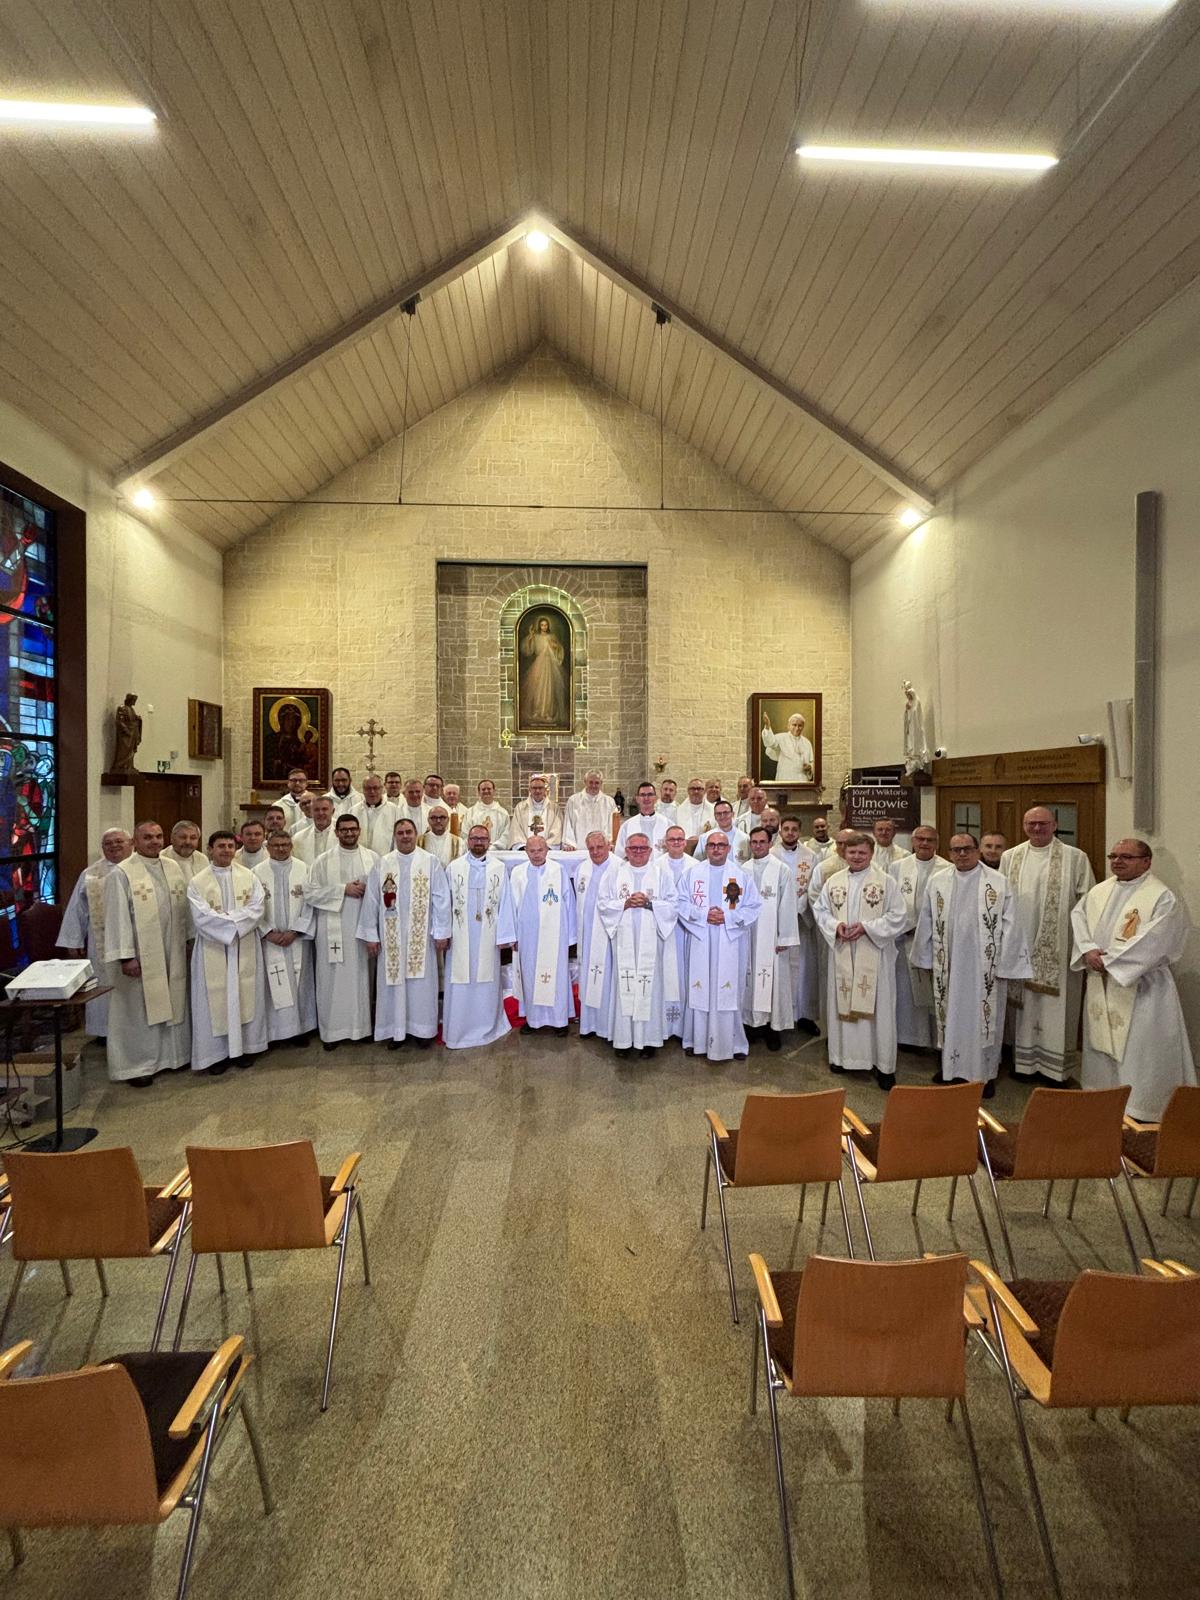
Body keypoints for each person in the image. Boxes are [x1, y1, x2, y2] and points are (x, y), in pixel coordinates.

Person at [1070, 839, 1196, 1119]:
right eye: (1113, 855)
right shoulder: (1099, 891)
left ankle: (1142, 1105)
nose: (1117, 861)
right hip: (1102, 982)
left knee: (1141, 1051)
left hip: (1143, 986)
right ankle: (1102, 1095)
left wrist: (1110, 961)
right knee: (1103, 1045)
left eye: (1126, 856)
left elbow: (1156, 939)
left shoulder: (1162, 896)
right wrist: (1088, 950)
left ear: (1146, 861)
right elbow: (1078, 918)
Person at [912, 834, 1031, 1095]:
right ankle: (950, 1069)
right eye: (956, 850)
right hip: (950, 965)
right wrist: (923, 954)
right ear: (950, 852)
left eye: (967, 849)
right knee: (950, 1015)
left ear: (977, 851)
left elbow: (1012, 925)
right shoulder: (938, 880)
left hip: (984, 967)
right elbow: (927, 919)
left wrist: (1007, 964)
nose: (962, 854)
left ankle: (984, 1076)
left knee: (983, 1018)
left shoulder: (997, 882)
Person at [1000, 808, 1095, 1086]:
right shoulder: (1011, 857)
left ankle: (1056, 1071)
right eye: (1031, 823)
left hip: (1058, 947)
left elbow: (1089, 902)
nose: (1037, 828)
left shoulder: (1075, 858)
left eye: (1043, 823)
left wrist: (1083, 942)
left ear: (1055, 825)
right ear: (1024, 825)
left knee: (1058, 1008)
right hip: (1020, 944)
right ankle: (1024, 1065)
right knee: (1024, 1008)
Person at [814, 831, 907, 1090]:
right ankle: (842, 1057)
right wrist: (836, 926)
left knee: (879, 1009)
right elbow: (820, 910)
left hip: (873, 954)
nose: (856, 857)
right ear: (844, 853)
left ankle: (883, 1065)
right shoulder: (834, 881)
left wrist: (867, 928)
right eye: (852, 852)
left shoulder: (886, 882)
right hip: (844, 951)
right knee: (842, 1003)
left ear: (871, 853)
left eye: (862, 853)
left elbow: (899, 916)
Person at [103, 820, 190, 1086]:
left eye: (158, 836)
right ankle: (138, 1066)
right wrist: (126, 956)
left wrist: (188, 939)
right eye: (147, 837)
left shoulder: (172, 866)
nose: (154, 841)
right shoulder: (122, 873)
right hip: (141, 953)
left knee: (174, 999)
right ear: (135, 842)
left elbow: (184, 909)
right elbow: (117, 917)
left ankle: (174, 1057)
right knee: (139, 1009)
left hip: (172, 947)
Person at [360, 817, 450, 1049]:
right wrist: (371, 935)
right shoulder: (383, 864)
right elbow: (371, 901)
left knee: (421, 984)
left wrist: (441, 932)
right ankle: (396, 1030)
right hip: (392, 938)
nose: (405, 836)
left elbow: (441, 899)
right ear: (395, 835)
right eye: (400, 832)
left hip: (421, 937)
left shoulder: (430, 862)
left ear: (416, 833)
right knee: (394, 985)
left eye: (409, 832)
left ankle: (422, 1030)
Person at [676, 831, 762, 1062]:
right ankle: (695, 1041)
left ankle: (732, 1043)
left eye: (721, 845)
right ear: (706, 848)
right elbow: (680, 903)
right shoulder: (693, 874)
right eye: (712, 845)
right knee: (699, 987)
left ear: (729, 848)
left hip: (729, 941)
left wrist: (727, 918)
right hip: (701, 939)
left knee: (728, 990)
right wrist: (704, 915)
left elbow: (753, 907)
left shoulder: (740, 876)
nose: (716, 849)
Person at [187, 830, 268, 1075]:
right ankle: (215, 1054)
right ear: (210, 849)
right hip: (212, 946)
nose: (226, 850)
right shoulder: (197, 882)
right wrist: (231, 926)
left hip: (244, 945)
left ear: (236, 849)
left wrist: (230, 923)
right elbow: (200, 915)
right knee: (214, 1001)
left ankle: (245, 1049)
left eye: (230, 846)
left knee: (245, 996)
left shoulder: (249, 876)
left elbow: (257, 907)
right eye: (220, 846)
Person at [303, 812, 379, 1050]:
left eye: (352, 829)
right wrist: (342, 889)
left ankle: (362, 1028)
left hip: (362, 929)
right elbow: (310, 893)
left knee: (362, 977)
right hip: (332, 930)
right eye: (344, 830)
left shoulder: (373, 858)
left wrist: (368, 891)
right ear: (336, 833)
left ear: (359, 831)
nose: (348, 833)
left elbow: (382, 891)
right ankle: (332, 1032)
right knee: (331, 979)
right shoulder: (322, 861)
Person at [599, 832, 677, 1058]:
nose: (638, 852)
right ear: (626, 850)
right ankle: (623, 1040)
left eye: (643, 848)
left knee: (649, 987)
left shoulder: (661, 873)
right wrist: (624, 903)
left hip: (650, 943)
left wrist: (650, 903)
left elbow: (673, 905)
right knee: (624, 986)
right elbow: (603, 904)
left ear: (651, 851)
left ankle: (648, 1041)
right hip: (624, 941)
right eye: (633, 848)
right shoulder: (615, 873)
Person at [443, 825, 516, 1049]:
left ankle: (488, 1026)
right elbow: (445, 904)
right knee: (460, 979)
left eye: (483, 839)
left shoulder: (498, 868)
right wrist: (443, 933)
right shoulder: (454, 868)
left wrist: (506, 935)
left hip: (488, 936)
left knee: (486, 979)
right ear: (468, 840)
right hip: (459, 936)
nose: (478, 842)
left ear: (489, 841)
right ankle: (458, 1030)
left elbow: (506, 903)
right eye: (474, 838)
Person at [56, 827, 132, 1039]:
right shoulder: (91, 874)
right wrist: (73, 939)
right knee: (104, 983)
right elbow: (76, 908)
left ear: (131, 844)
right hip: (102, 942)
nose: (114, 846)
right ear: (102, 848)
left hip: (135, 942)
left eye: (119, 841)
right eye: (108, 843)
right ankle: (104, 1032)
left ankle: (132, 1031)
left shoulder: (140, 869)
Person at [890, 826, 951, 1051]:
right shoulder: (898, 867)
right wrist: (903, 927)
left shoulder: (948, 868)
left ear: (937, 843)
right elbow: (892, 901)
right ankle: (909, 1038)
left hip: (935, 940)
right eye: (921, 839)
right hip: (904, 937)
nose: (925, 843)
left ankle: (936, 1039)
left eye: (930, 840)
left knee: (933, 990)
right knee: (906, 990)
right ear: (913, 842)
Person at [254, 829, 316, 1046]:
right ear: (267, 847)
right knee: (274, 984)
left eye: (285, 845)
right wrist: (267, 932)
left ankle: (299, 1029)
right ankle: (274, 1032)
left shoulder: (304, 869)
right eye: (276, 845)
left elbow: (310, 904)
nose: (281, 849)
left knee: (299, 983)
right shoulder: (256, 873)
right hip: (270, 941)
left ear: (291, 846)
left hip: (296, 939)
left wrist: (296, 930)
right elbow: (251, 908)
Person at [509, 834, 575, 1033]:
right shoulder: (518, 873)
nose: (536, 855)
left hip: (554, 934)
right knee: (530, 975)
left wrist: (570, 936)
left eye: (540, 850)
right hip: (527, 935)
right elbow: (511, 906)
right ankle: (533, 1020)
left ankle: (560, 1021)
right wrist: (512, 935)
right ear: (526, 851)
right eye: (532, 851)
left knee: (556, 976)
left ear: (547, 850)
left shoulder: (558, 870)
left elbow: (569, 902)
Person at [743, 826, 798, 1052]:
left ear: (769, 842)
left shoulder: (781, 870)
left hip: (771, 937)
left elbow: (788, 904)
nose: (757, 846)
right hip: (747, 936)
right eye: (753, 842)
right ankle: (750, 1026)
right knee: (749, 981)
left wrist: (783, 937)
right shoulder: (742, 869)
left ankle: (772, 1030)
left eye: (761, 842)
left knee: (772, 982)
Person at [771, 816, 820, 1034]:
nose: (790, 833)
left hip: (803, 920)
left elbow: (814, 887)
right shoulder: (771, 855)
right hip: (778, 923)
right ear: (780, 831)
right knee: (782, 969)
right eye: (786, 829)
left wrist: (800, 906)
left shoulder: (811, 856)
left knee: (805, 968)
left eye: (794, 829)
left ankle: (804, 1015)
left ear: (800, 832)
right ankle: (781, 1015)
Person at [574, 830, 617, 1040]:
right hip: (588, 933)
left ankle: (609, 1027)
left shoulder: (619, 867)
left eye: (600, 847)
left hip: (610, 936)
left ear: (609, 845)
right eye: (591, 848)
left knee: (608, 979)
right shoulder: (582, 868)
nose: (595, 852)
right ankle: (589, 1024)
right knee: (589, 977)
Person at [657, 825, 695, 1040]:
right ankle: (663, 1026)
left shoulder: (696, 866)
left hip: (687, 930)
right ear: (665, 842)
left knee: (686, 976)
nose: (676, 843)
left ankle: (684, 1029)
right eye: (672, 840)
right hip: (665, 931)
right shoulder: (656, 866)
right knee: (666, 975)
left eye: (680, 839)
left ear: (686, 842)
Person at [519, 615, 569, 727]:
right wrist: (531, 636)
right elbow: (528, 650)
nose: (544, 627)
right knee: (537, 688)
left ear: (548, 626)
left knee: (549, 688)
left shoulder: (552, 636)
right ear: (539, 626)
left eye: (545, 625)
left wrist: (555, 646)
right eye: (542, 625)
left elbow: (559, 649)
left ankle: (548, 713)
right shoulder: (536, 637)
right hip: (539, 665)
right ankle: (538, 712)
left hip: (550, 665)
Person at [563, 770, 617, 849]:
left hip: (602, 849)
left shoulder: (609, 801)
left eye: (597, 783)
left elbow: (612, 825)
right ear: (585, 782)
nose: (594, 785)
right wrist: (569, 843)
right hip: (579, 848)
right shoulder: (573, 800)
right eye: (591, 782)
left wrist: (610, 842)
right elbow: (568, 823)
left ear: (601, 783)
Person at [616, 782, 670, 857]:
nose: (646, 798)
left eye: (650, 794)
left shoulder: (668, 824)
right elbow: (620, 854)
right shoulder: (627, 826)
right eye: (642, 795)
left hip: (660, 868)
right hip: (636, 868)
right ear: (637, 799)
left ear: (656, 798)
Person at [508, 773, 563, 847]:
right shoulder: (520, 808)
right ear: (530, 790)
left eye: (540, 788)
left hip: (547, 850)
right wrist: (524, 846)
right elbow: (516, 830)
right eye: (534, 788)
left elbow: (557, 830)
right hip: (525, 851)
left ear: (545, 790)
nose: (537, 791)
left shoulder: (554, 808)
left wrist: (546, 846)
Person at [762, 712, 815, 782]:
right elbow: (770, 742)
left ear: (803, 727)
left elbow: (812, 762)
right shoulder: (781, 737)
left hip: (802, 779)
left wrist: (810, 767)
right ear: (788, 726)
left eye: (800, 725)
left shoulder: (807, 742)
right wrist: (767, 726)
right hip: (784, 777)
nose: (797, 728)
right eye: (794, 725)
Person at [357, 773, 399, 854]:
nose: (372, 792)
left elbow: (397, 840)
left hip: (385, 860)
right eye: (368, 788)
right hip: (361, 860)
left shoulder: (394, 810)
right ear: (363, 790)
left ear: (382, 789)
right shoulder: (354, 811)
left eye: (375, 788)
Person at [292, 795, 337, 865]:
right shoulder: (298, 838)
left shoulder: (343, 835)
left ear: (333, 811)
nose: (320, 813)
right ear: (312, 812)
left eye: (324, 809)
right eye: (316, 810)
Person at [464, 778, 510, 843]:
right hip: (476, 850)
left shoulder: (503, 813)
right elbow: (465, 834)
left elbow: (506, 835)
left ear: (494, 791)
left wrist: (493, 847)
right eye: (483, 789)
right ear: (479, 792)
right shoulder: (470, 813)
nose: (486, 791)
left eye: (489, 789)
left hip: (497, 851)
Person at [675, 777, 714, 848]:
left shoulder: (713, 810)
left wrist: (700, 839)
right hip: (685, 847)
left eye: (699, 789)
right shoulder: (678, 810)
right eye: (693, 789)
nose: (696, 791)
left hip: (706, 847)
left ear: (704, 791)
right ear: (688, 791)